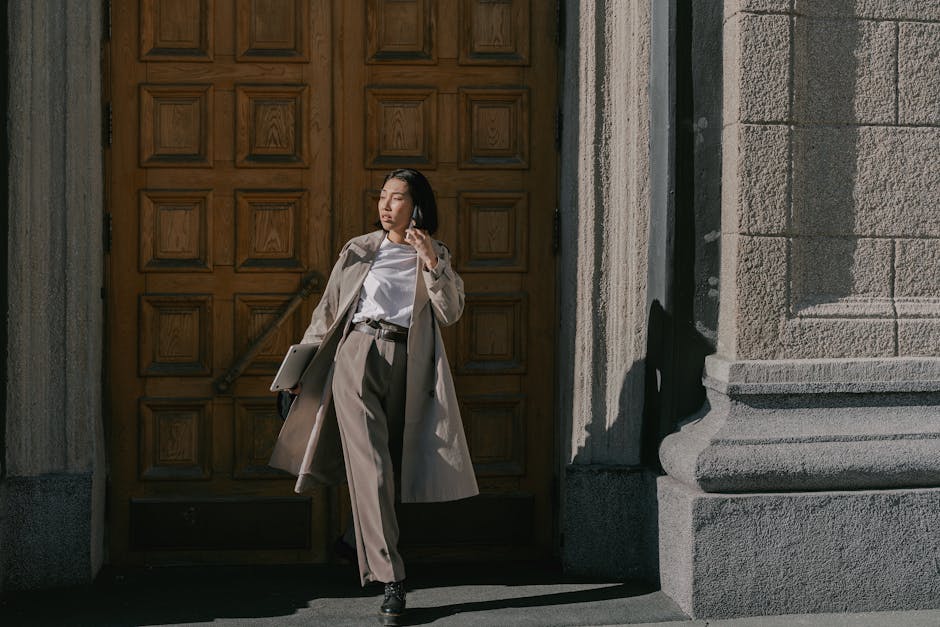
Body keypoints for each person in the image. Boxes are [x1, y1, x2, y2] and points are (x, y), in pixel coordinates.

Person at [269, 168, 479, 626]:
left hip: (410, 363)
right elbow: (327, 313)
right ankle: (392, 579)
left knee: (397, 463)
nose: (386, 206)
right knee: (374, 467)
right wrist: (301, 373)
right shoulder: (361, 250)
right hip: (357, 354)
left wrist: (431, 262)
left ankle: (351, 539)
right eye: (382, 197)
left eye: (397, 198)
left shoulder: (436, 254)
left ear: (417, 205)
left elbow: (450, 313)